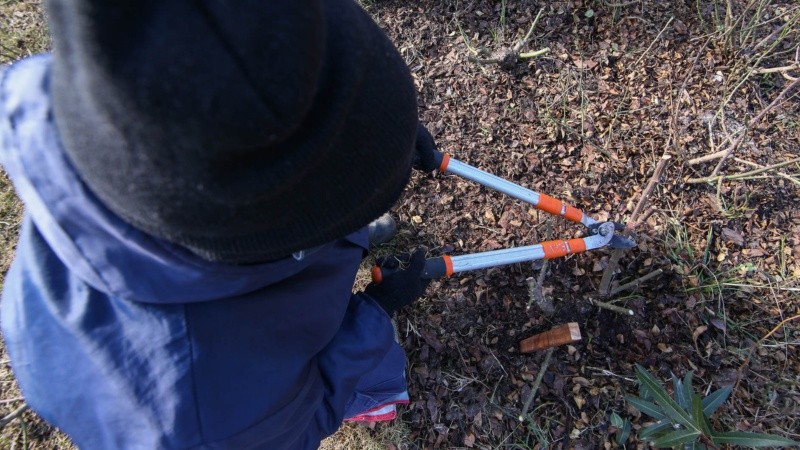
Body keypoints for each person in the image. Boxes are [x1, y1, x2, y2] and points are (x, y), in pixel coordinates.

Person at [0, 0, 440, 448]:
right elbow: (310, 413)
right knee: (367, 373)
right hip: (222, 396)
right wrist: (373, 314)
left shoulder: (115, 86)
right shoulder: (208, 419)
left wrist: (385, 144)